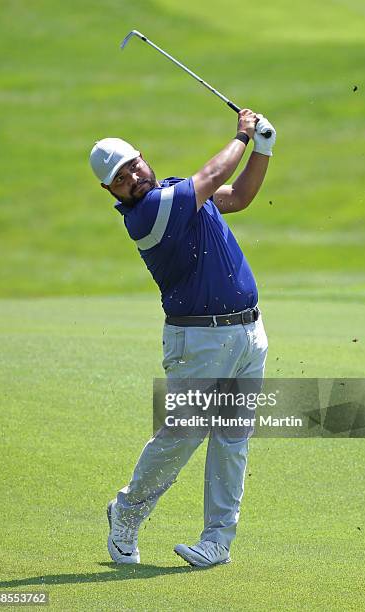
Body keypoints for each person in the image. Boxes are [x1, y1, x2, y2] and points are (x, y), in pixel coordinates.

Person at [89, 109, 276, 567]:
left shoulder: (176, 194)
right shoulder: (148, 213)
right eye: (119, 178)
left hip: (248, 332)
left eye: (133, 165)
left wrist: (264, 148)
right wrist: (243, 134)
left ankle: (217, 542)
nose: (131, 177)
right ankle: (127, 513)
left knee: (233, 440)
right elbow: (214, 174)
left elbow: (240, 196)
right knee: (181, 437)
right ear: (109, 192)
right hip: (199, 342)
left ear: (143, 158)